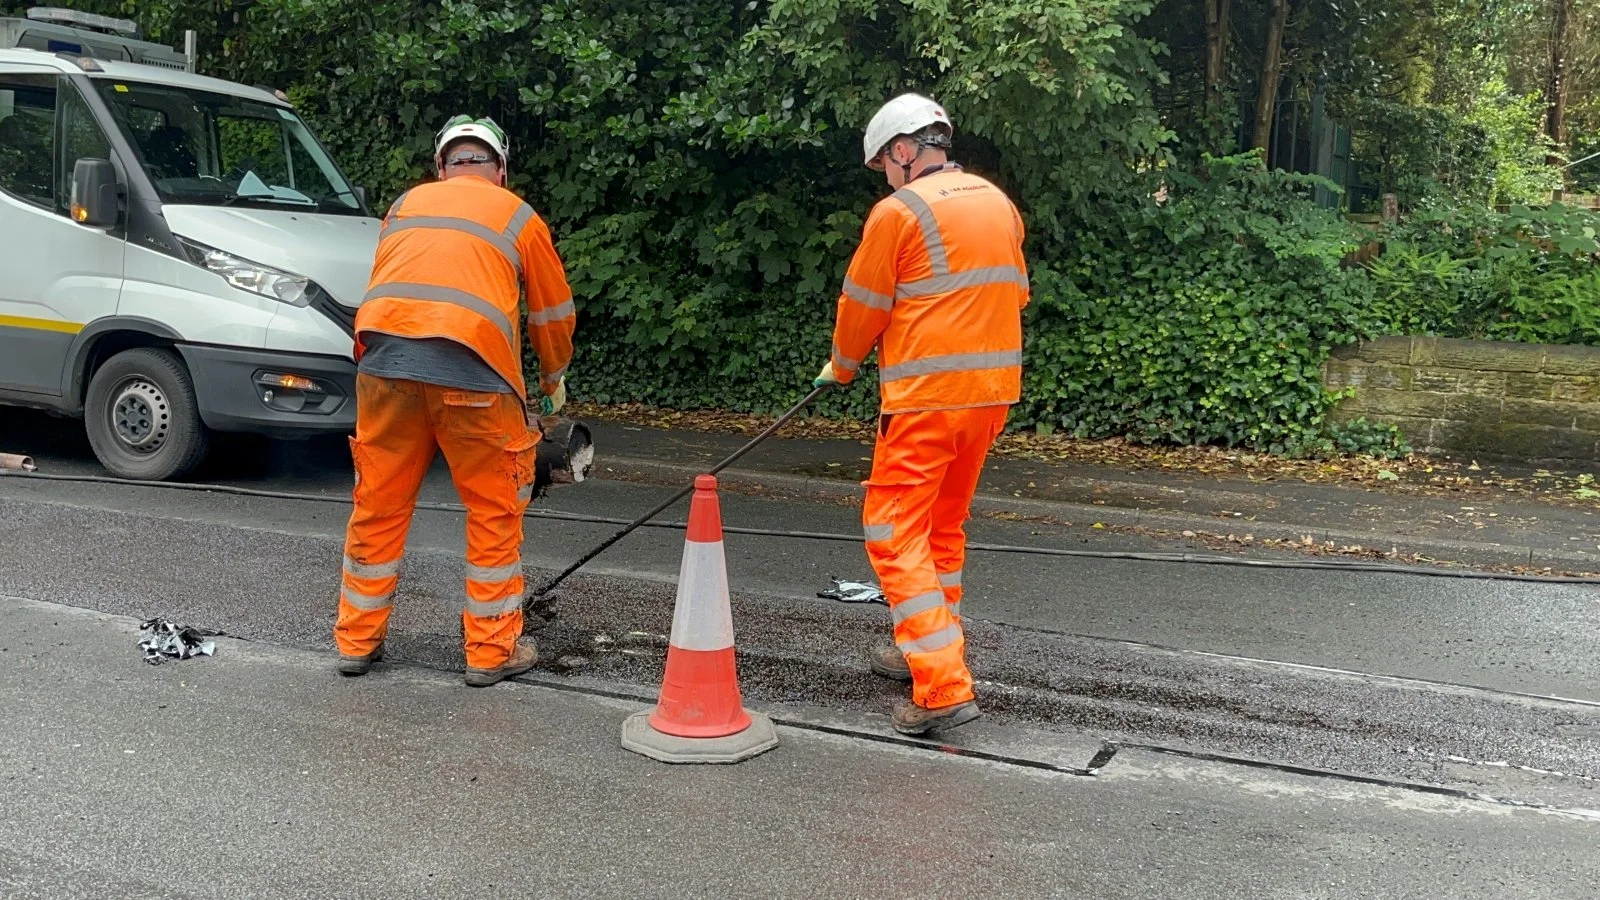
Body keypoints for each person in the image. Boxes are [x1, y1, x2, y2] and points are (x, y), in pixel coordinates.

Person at [335, 115, 576, 686]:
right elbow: (551, 312)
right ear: (501, 169)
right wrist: (552, 380)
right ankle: (491, 652)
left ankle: (356, 642)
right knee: (493, 509)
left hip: (384, 369)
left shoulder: (404, 206)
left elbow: (391, 287)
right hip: (475, 376)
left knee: (378, 505)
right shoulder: (517, 214)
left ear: (442, 166)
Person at [815, 94, 1029, 734]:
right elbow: (1013, 291)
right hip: (990, 397)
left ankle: (941, 686)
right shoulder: (996, 202)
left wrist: (843, 364)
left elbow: (864, 303)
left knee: (892, 531)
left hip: (925, 401)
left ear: (904, 150)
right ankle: (926, 646)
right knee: (942, 532)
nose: (885, 173)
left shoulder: (898, 211)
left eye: (884, 161)